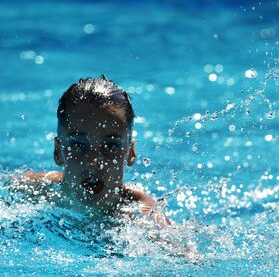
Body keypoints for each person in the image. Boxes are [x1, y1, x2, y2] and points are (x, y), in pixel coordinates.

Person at [16, 75, 170, 226]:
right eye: (78, 145)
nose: (94, 163)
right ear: (58, 151)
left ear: (130, 153)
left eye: (111, 146)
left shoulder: (144, 216)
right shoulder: (32, 190)